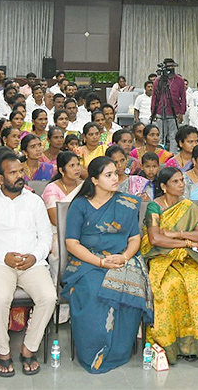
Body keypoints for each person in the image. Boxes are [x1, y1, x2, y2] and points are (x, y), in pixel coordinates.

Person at [0, 152, 57, 377]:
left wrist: (35, 256)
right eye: (13, 173)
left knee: (48, 297)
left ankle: (29, 348)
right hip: (0, 263)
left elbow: (46, 236)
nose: (20, 176)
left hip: (33, 263)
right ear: (0, 178)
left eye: (21, 171)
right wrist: (4, 256)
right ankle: (3, 351)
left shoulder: (34, 201)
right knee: (0, 298)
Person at [62, 157, 149, 373]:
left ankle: (119, 351)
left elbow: (134, 239)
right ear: (94, 180)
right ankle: (94, 352)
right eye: (108, 175)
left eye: (115, 174)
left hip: (122, 259)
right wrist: (100, 262)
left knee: (130, 286)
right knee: (93, 290)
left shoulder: (127, 203)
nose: (115, 179)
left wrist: (125, 257)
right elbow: (71, 243)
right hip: (86, 261)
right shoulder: (80, 205)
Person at [141, 167, 198, 362]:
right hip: (160, 257)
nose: (181, 184)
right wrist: (187, 242)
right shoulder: (154, 207)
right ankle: (169, 344)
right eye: (175, 181)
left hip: (187, 257)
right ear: (164, 186)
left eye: (182, 180)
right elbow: (155, 239)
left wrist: (177, 234)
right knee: (167, 287)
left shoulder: (188, 206)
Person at [43, 151, 83, 226]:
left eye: (78, 164)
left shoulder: (84, 185)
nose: (77, 169)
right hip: (60, 231)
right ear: (61, 170)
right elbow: (56, 220)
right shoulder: (51, 189)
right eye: (72, 166)